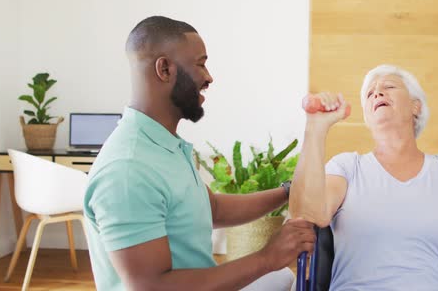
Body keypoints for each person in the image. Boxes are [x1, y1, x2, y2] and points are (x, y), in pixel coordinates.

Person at [83, 16, 315, 291]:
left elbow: (212, 208)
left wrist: (288, 191)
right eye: (200, 64)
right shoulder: (128, 170)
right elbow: (152, 287)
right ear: (165, 69)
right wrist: (268, 257)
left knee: (282, 279)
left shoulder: (162, 145)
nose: (209, 77)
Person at [289, 64, 438, 290]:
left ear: (416, 106)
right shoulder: (347, 167)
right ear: (367, 117)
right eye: (370, 94)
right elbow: (307, 211)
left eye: (389, 86)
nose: (377, 93)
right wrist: (316, 127)